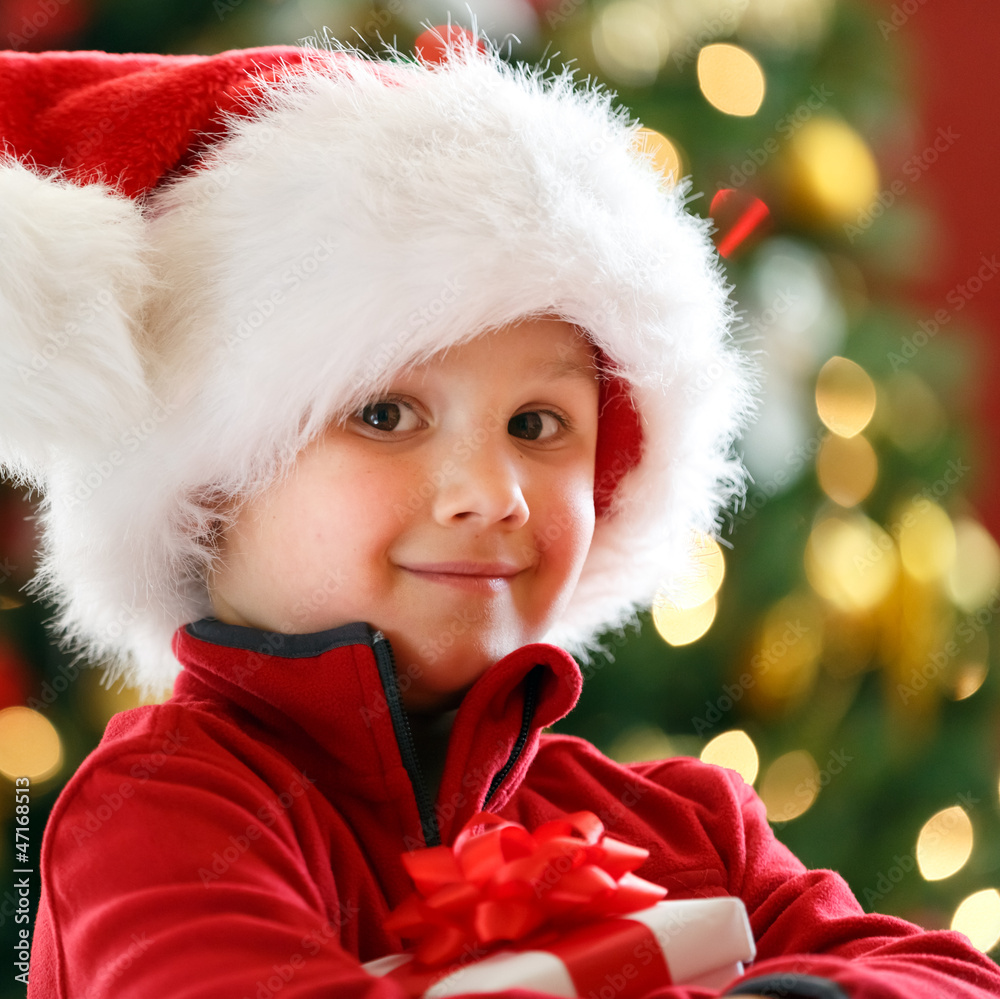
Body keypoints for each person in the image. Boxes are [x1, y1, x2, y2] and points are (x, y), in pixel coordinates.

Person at [2, 29, 998, 999]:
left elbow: (950, 975)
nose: (497, 491)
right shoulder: (160, 815)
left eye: (537, 422)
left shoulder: (689, 825)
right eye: (385, 414)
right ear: (211, 486)